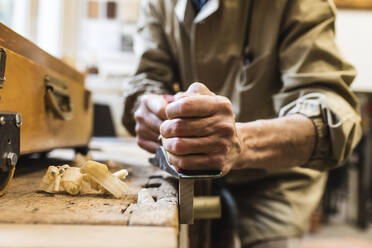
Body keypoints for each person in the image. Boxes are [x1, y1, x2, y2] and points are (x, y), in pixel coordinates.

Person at [122, 0, 362, 247]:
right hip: (193, 179)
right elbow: (146, 79)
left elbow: (334, 118)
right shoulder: (157, 4)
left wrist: (243, 142)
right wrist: (147, 106)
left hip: (273, 184)